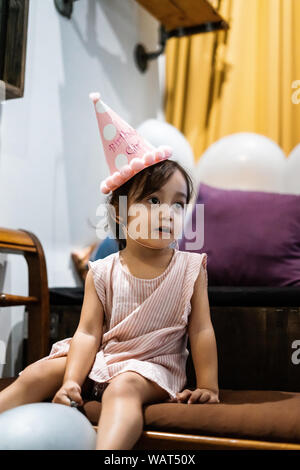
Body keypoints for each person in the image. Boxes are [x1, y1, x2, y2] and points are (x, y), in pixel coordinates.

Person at [0, 93, 219, 450]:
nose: (168, 213)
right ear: (119, 213)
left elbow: (201, 330)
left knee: (123, 388)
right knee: (40, 371)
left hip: (152, 366)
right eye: (153, 200)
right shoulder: (102, 271)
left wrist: (209, 386)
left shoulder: (190, 269)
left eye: (178, 204)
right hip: (103, 358)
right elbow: (87, 334)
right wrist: (72, 380)